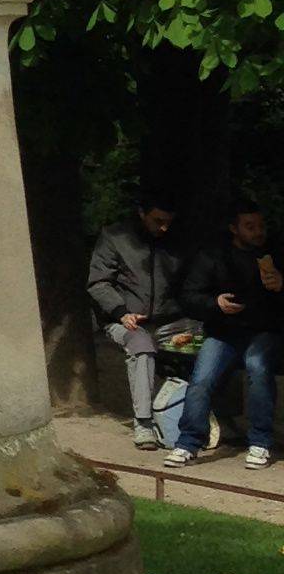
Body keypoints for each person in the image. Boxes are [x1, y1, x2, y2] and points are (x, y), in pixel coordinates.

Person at [166, 202, 284, 470]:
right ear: (234, 228)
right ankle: (188, 443)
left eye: (260, 226)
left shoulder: (275, 254)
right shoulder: (212, 256)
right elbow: (189, 296)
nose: (257, 232)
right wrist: (215, 303)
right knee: (202, 378)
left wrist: (281, 285)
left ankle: (260, 442)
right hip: (225, 331)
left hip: (265, 331)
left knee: (258, 366)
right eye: (249, 227)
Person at [85, 192, 189, 447]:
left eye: (168, 222)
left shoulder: (176, 241)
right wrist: (121, 312)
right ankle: (143, 422)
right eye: (157, 220)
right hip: (121, 320)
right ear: (141, 213)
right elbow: (98, 284)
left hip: (167, 321)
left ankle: (208, 416)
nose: (163, 227)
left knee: (211, 340)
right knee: (141, 346)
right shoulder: (114, 237)